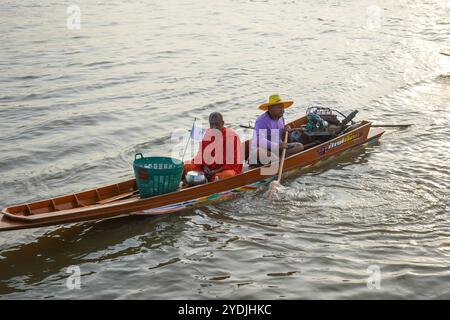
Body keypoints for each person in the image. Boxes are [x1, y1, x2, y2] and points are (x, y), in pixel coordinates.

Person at [184, 112, 243, 182]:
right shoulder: (206, 134)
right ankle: (203, 179)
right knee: (188, 165)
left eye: (217, 124)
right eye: (212, 125)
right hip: (207, 169)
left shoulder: (232, 137)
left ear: (222, 123)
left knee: (228, 174)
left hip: (222, 170)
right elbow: (201, 156)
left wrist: (215, 171)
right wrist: (204, 167)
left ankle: (207, 181)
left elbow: (233, 163)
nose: (214, 127)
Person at [250, 94, 304, 165]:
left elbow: (280, 132)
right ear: (270, 108)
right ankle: (276, 160)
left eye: (282, 107)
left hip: (278, 148)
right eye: (279, 107)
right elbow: (259, 140)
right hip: (264, 149)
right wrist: (276, 146)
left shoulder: (281, 118)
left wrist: (286, 130)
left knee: (299, 146)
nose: (282, 110)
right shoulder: (262, 121)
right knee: (260, 152)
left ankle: (279, 160)